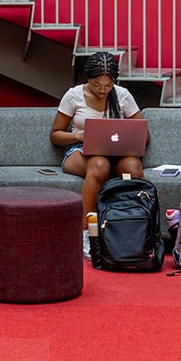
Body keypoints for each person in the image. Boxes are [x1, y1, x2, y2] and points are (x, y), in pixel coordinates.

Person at [50, 51, 147, 257]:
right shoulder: (74, 95)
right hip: (79, 152)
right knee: (99, 164)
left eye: (108, 85)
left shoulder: (122, 95)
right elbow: (55, 136)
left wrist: (126, 135)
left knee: (133, 166)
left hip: (117, 153)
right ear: (88, 79)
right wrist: (81, 136)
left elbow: (145, 135)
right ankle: (86, 232)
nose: (103, 90)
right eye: (97, 85)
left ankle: (136, 229)